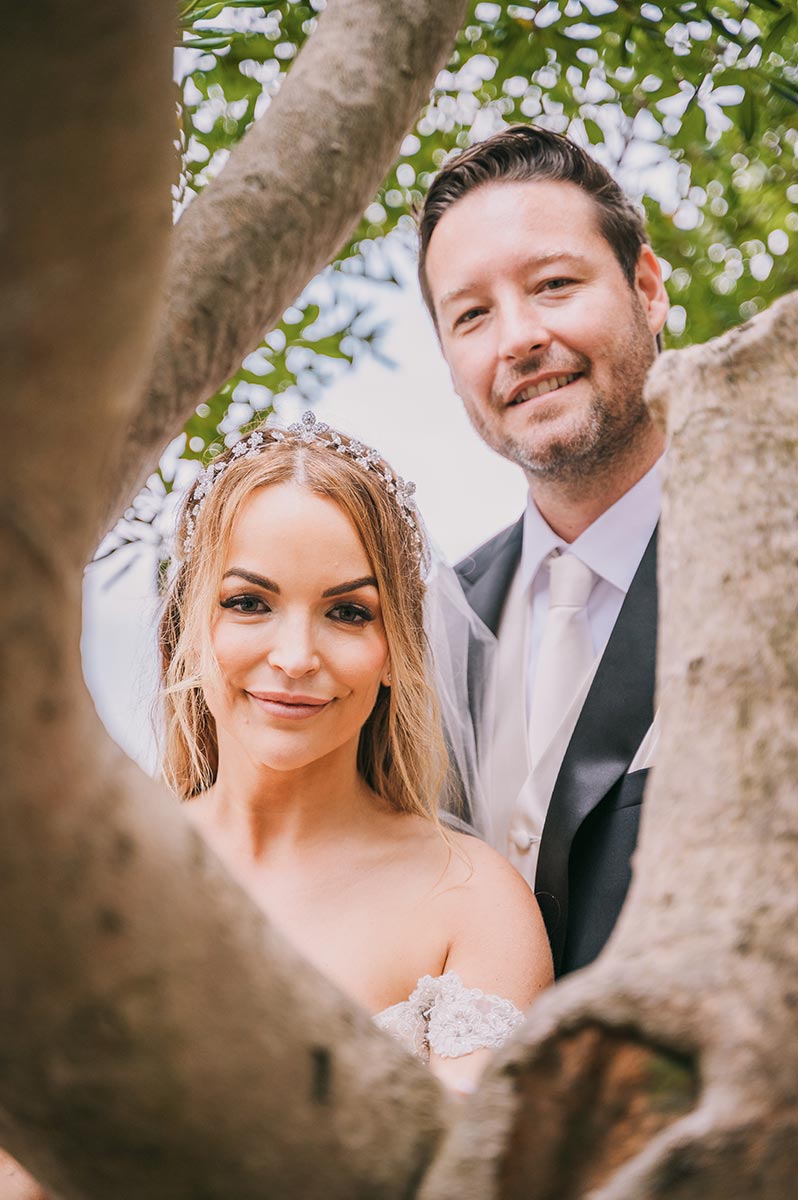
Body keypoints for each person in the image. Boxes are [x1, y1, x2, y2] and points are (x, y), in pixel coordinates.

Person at [159, 412, 553, 1092]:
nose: (295, 658)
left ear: (395, 648)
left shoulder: (472, 903)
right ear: (194, 627)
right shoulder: (100, 865)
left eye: (348, 612)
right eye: (249, 602)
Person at [417, 125, 669, 977]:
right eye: (473, 315)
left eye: (554, 285)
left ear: (647, 288)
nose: (518, 338)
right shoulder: (431, 623)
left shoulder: (771, 557)